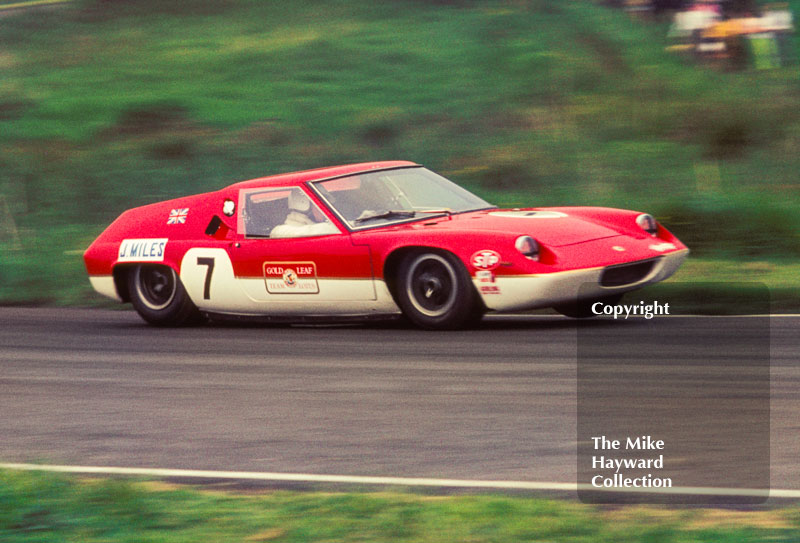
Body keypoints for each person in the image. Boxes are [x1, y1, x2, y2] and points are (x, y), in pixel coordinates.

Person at [270, 189, 338, 238]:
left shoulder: (314, 227)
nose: (326, 208)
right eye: (320, 204)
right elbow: (277, 232)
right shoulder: (283, 231)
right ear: (304, 206)